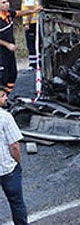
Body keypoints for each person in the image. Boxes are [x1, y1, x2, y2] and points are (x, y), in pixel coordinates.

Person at [0, 0, 41, 94]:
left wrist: (33, 11)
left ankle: (7, 96)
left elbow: (19, 13)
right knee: (2, 76)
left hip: (10, 52)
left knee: (12, 74)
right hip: (1, 52)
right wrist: (7, 44)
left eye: (7, 1)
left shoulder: (8, 13)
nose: (7, 4)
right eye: (3, 3)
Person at [0, 86, 27, 225]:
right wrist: (17, 161)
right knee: (17, 202)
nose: (6, 98)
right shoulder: (5, 117)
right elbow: (14, 146)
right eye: (2, 96)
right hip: (7, 169)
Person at [18, 0, 39, 71]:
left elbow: (30, 9)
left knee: (31, 43)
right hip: (36, 21)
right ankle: (38, 62)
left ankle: (33, 64)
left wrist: (27, 23)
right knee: (37, 43)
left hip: (32, 22)